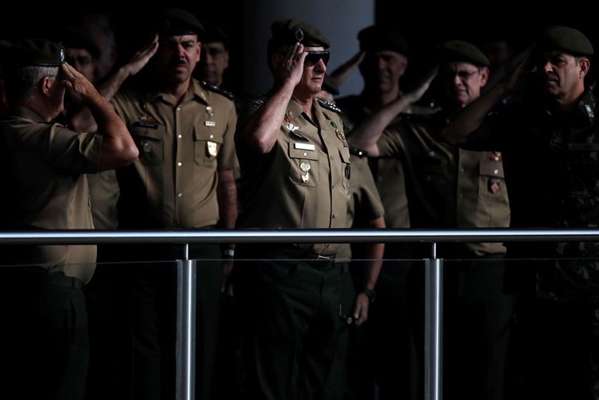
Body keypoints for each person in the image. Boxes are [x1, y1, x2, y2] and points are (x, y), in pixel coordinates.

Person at [348, 39, 515, 400]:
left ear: (484, 77)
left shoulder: (506, 129)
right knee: (434, 373)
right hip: (434, 269)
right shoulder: (418, 128)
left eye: (466, 75)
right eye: (450, 74)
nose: (457, 81)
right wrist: (409, 98)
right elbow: (359, 141)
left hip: (490, 268)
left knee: (488, 374)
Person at [439, 25, 598, 400]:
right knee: (538, 385)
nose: (546, 69)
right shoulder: (522, 118)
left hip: (591, 285)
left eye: (557, 61)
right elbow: (454, 135)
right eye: (541, 62)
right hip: (533, 282)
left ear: (583, 67)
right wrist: (503, 88)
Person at [106, 7, 238, 400]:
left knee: (201, 346)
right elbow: (79, 122)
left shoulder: (222, 108)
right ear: (153, 51)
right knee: (143, 349)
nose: (179, 53)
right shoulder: (131, 103)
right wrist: (128, 69)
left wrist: (229, 247)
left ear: (199, 53)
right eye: (168, 46)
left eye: (187, 45)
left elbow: (226, 181)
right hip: (143, 244)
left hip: (203, 245)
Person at [0, 38, 138, 400]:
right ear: (49, 86)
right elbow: (125, 149)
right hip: (51, 295)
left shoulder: (11, 131)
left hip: (24, 289)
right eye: (64, 84)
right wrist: (92, 94)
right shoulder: (39, 137)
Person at [232, 17, 352, 400]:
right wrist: (286, 83)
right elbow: (259, 143)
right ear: (282, 62)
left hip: (328, 272)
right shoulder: (258, 110)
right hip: (278, 269)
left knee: (322, 382)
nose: (320, 68)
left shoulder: (332, 120)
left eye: (324, 59)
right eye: (309, 59)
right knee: (272, 382)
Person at [334, 24, 437, 400]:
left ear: (404, 65)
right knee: (352, 358)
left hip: (401, 251)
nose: (380, 66)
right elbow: (315, 91)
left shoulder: (422, 117)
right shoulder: (340, 111)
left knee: (401, 363)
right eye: (372, 58)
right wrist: (347, 65)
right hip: (350, 247)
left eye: (388, 59)